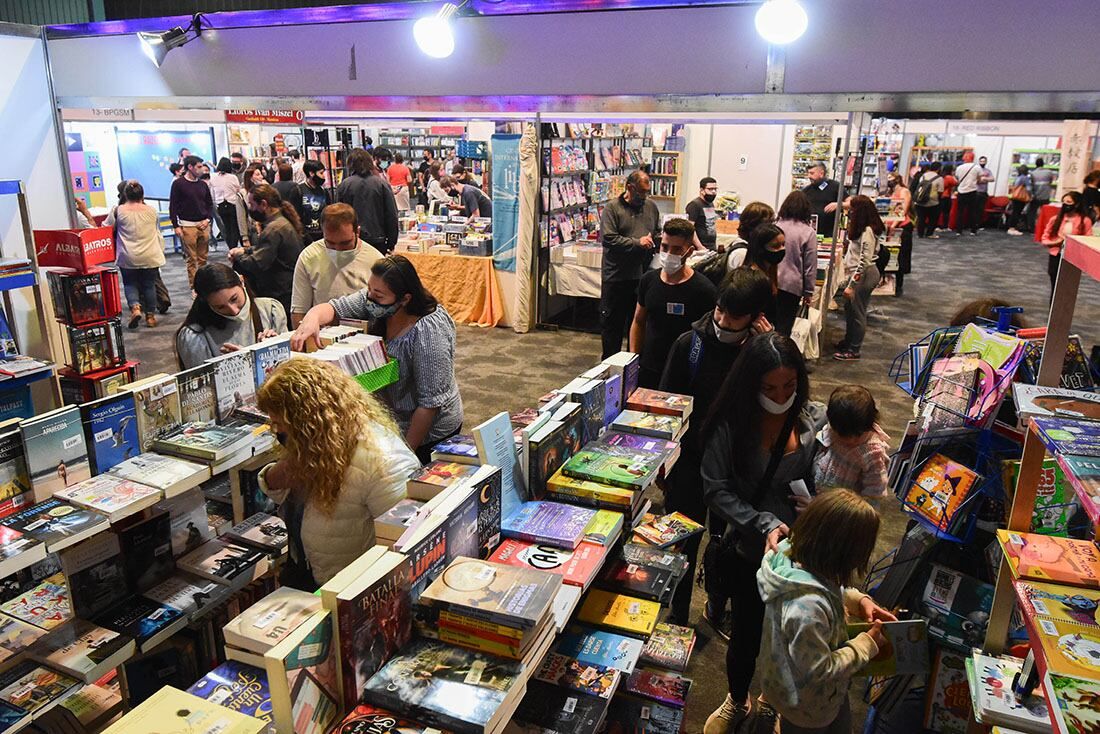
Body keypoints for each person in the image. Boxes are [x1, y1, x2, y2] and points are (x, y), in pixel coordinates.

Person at [700, 332, 826, 734]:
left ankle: (773, 701)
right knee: (746, 637)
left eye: (789, 386)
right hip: (752, 552)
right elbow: (715, 489)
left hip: (804, 554)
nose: (780, 395)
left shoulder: (811, 417)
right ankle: (737, 699)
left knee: (792, 639)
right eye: (769, 388)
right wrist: (763, 522)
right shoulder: (732, 425)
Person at [660, 268, 774, 633]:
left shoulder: (760, 353)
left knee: (728, 546)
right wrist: (664, 464)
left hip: (736, 469)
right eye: (721, 310)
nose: (723, 321)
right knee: (682, 542)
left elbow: (784, 400)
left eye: (734, 316)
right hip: (689, 464)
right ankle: (676, 614)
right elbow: (665, 409)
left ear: (756, 318)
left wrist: (771, 351)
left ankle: (716, 605)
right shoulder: (688, 345)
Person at [255, 358, 419, 587]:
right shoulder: (317, 445)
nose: (279, 434)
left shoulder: (384, 463)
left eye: (282, 426)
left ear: (308, 421)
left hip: (349, 590)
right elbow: (298, 504)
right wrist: (277, 475)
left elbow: (404, 550)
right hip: (309, 570)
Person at [291, 255, 463, 462]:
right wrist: (311, 319)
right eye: (369, 290)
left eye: (378, 295)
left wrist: (405, 454)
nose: (370, 298)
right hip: (391, 421)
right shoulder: (374, 301)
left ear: (405, 299)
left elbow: (429, 405)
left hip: (429, 432)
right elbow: (334, 308)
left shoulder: (429, 331)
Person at [757, 489, 892, 734]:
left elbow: (823, 585)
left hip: (805, 688)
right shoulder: (807, 608)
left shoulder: (794, 556)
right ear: (845, 554)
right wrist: (866, 644)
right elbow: (820, 669)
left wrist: (859, 600)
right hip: (805, 706)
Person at [628, 218, 717, 389]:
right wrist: (634, 358)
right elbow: (639, 321)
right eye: (665, 247)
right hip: (650, 367)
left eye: (677, 249)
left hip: (684, 370)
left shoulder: (704, 290)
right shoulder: (648, 280)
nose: (669, 253)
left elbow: (708, 335)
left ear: (689, 251)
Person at [175, 263, 287, 369]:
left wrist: (276, 348)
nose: (234, 311)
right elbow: (204, 386)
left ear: (242, 282)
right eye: (220, 307)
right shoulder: (195, 337)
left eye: (234, 299)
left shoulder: (270, 309)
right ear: (207, 304)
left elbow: (290, 369)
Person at [598, 170, 660, 359]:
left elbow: (656, 231)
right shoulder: (612, 208)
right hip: (616, 277)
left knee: (639, 325)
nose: (644, 197)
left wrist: (654, 240)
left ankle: (634, 366)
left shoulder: (651, 207)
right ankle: (609, 368)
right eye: (641, 193)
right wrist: (637, 243)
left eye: (647, 192)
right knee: (612, 329)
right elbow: (608, 239)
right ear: (629, 188)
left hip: (641, 277)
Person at [290, 203, 382, 326]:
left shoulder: (375, 260)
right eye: (330, 244)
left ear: (357, 232)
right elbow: (299, 311)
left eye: (345, 243)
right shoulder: (309, 257)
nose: (337, 250)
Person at [229, 183, 305, 319]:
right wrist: (245, 251)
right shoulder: (282, 222)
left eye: (252, 205)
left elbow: (257, 264)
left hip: (279, 290)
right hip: (288, 286)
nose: (251, 209)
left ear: (264, 204)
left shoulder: (273, 229)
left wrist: (238, 258)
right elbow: (267, 250)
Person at [813, 385, 890, 500]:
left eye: (857, 435)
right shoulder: (832, 428)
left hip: (845, 507)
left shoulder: (872, 453)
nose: (850, 440)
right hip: (820, 493)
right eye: (843, 435)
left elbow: (874, 492)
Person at [107, 180, 166, 329]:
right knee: (149, 285)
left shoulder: (118, 210)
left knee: (130, 283)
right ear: (142, 194)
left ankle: (135, 308)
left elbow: (106, 227)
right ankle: (151, 317)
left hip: (127, 255)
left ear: (125, 194)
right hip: (150, 254)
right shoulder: (152, 210)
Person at [834, 195, 884, 362]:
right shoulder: (863, 228)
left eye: (852, 210)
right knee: (850, 309)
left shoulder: (867, 231)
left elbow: (864, 260)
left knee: (857, 312)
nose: (849, 213)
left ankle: (854, 349)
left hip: (864, 275)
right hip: (859, 273)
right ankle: (849, 341)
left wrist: (852, 284)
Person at [337, 149, 399, 254]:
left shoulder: (345, 185)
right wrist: (391, 242)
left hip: (352, 240)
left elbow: (339, 215)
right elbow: (391, 214)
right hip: (378, 239)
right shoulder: (381, 184)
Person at [774, 191, 817, 336]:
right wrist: (809, 291)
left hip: (771, 280)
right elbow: (810, 265)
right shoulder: (808, 232)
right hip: (792, 285)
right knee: (785, 326)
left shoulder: (775, 225)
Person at [169, 154, 215, 287]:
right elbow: (173, 206)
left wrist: (208, 219)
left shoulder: (202, 185)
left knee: (203, 258)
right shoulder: (178, 184)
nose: (202, 170)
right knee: (191, 259)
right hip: (187, 225)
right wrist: (176, 225)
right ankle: (194, 287)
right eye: (199, 167)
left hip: (203, 224)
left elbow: (209, 204)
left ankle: (203, 285)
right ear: (190, 167)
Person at [1040, 190, 1095, 292]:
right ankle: (1053, 307)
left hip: (1073, 257)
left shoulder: (1085, 221)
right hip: (1056, 254)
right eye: (1064, 202)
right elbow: (1045, 239)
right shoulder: (1055, 219)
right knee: (1055, 284)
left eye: (1069, 202)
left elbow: (1088, 240)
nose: (1065, 205)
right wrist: (1055, 242)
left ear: (1077, 204)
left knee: (1068, 286)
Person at [886, 173, 913, 296]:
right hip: (890, 226)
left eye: (890, 178)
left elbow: (903, 209)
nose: (888, 181)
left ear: (897, 179)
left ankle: (899, 286)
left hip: (901, 227)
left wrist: (894, 225)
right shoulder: (891, 192)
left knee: (900, 256)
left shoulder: (904, 191)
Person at [801, 163, 842, 237]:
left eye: (812, 173)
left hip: (829, 234)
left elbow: (850, 202)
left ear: (821, 173)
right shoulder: (806, 190)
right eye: (808, 173)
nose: (809, 176)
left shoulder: (835, 186)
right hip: (809, 233)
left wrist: (838, 204)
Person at [210, 158, 243, 249]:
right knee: (234, 227)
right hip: (232, 204)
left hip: (220, 205)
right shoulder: (233, 177)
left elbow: (212, 193)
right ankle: (234, 246)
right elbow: (238, 190)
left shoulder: (213, 177)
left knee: (226, 228)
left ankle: (230, 247)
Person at [299, 160, 331, 243]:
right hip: (305, 236)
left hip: (322, 235)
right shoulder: (299, 190)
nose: (323, 176)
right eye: (321, 173)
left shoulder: (324, 191)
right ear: (311, 173)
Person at [953, 152, 984, 236]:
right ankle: (973, 230)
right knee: (973, 212)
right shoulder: (977, 167)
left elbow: (957, 179)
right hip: (972, 191)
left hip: (961, 191)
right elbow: (980, 179)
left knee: (960, 212)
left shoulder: (959, 168)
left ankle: (959, 231)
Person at [685, 177, 719, 250]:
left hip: (711, 246)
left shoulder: (710, 204)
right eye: (710, 189)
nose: (713, 192)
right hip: (700, 247)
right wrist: (699, 246)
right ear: (702, 190)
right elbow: (690, 228)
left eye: (715, 189)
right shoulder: (694, 205)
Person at [913, 161, 944, 239]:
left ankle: (920, 234)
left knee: (921, 218)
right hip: (932, 202)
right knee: (933, 219)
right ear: (939, 169)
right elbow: (940, 191)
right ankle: (929, 233)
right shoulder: (939, 178)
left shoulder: (923, 176)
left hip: (920, 201)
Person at [1028, 157, 1056, 234]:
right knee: (1045, 212)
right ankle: (1045, 228)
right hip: (1046, 195)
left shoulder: (1033, 173)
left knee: (1032, 212)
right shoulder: (1049, 172)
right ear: (1043, 164)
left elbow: (1031, 185)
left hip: (1036, 196)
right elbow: (1051, 181)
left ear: (1035, 164)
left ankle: (1032, 229)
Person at [1006, 164, 1033, 235]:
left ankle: (1011, 227)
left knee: (1014, 212)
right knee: (1017, 213)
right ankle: (1012, 228)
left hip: (1015, 196)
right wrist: (1030, 195)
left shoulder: (1017, 177)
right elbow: (1028, 189)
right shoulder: (1025, 178)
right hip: (1021, 197)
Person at [975, 155, 995, 225]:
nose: (982, 162)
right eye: (981, 161)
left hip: (984, 192)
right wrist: (982, 179)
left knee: (981, 209)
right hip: (976, 192)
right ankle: (973, 224)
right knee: (975, 209)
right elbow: (975, 180)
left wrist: (985, 179)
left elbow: (992, 179)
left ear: (986, 162)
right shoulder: (976, 169)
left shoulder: (988, 170)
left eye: (984, 161)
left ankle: (979, 224)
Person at [938, 164, 957, 234]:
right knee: (946, 212)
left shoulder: (941, 176)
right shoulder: (949, 177)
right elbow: (956, 182)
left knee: (940, 212)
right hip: (946, 196)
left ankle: (939, 226)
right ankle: (944, 226)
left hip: (940, 196)